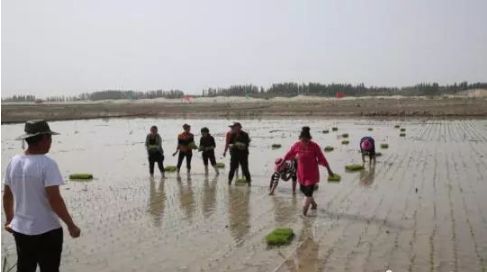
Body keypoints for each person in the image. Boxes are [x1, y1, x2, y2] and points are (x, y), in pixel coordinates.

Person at [3, 120, 81, 272]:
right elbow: (55, 199)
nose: (51, 142)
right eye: (50, 138)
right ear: (43, 139)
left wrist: (10, 220)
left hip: (21, 230)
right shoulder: (47, 164)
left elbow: (7, 196)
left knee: (25, 268)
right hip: (47, 230)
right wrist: (71, 225)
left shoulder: (13, 162)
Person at [283, 126, 335, 216]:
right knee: (303, 190)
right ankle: (314, 204)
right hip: (301, 174)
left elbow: (322, 158)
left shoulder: (314, 146)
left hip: (312, 174)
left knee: (308, 194)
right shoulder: (296, 145)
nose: (305, 142)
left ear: (309, 138)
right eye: (303, 140)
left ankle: (304, 214)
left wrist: (329, 170)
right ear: (300, 139)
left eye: (307, 140)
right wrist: (283, 162)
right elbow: (289, 154)